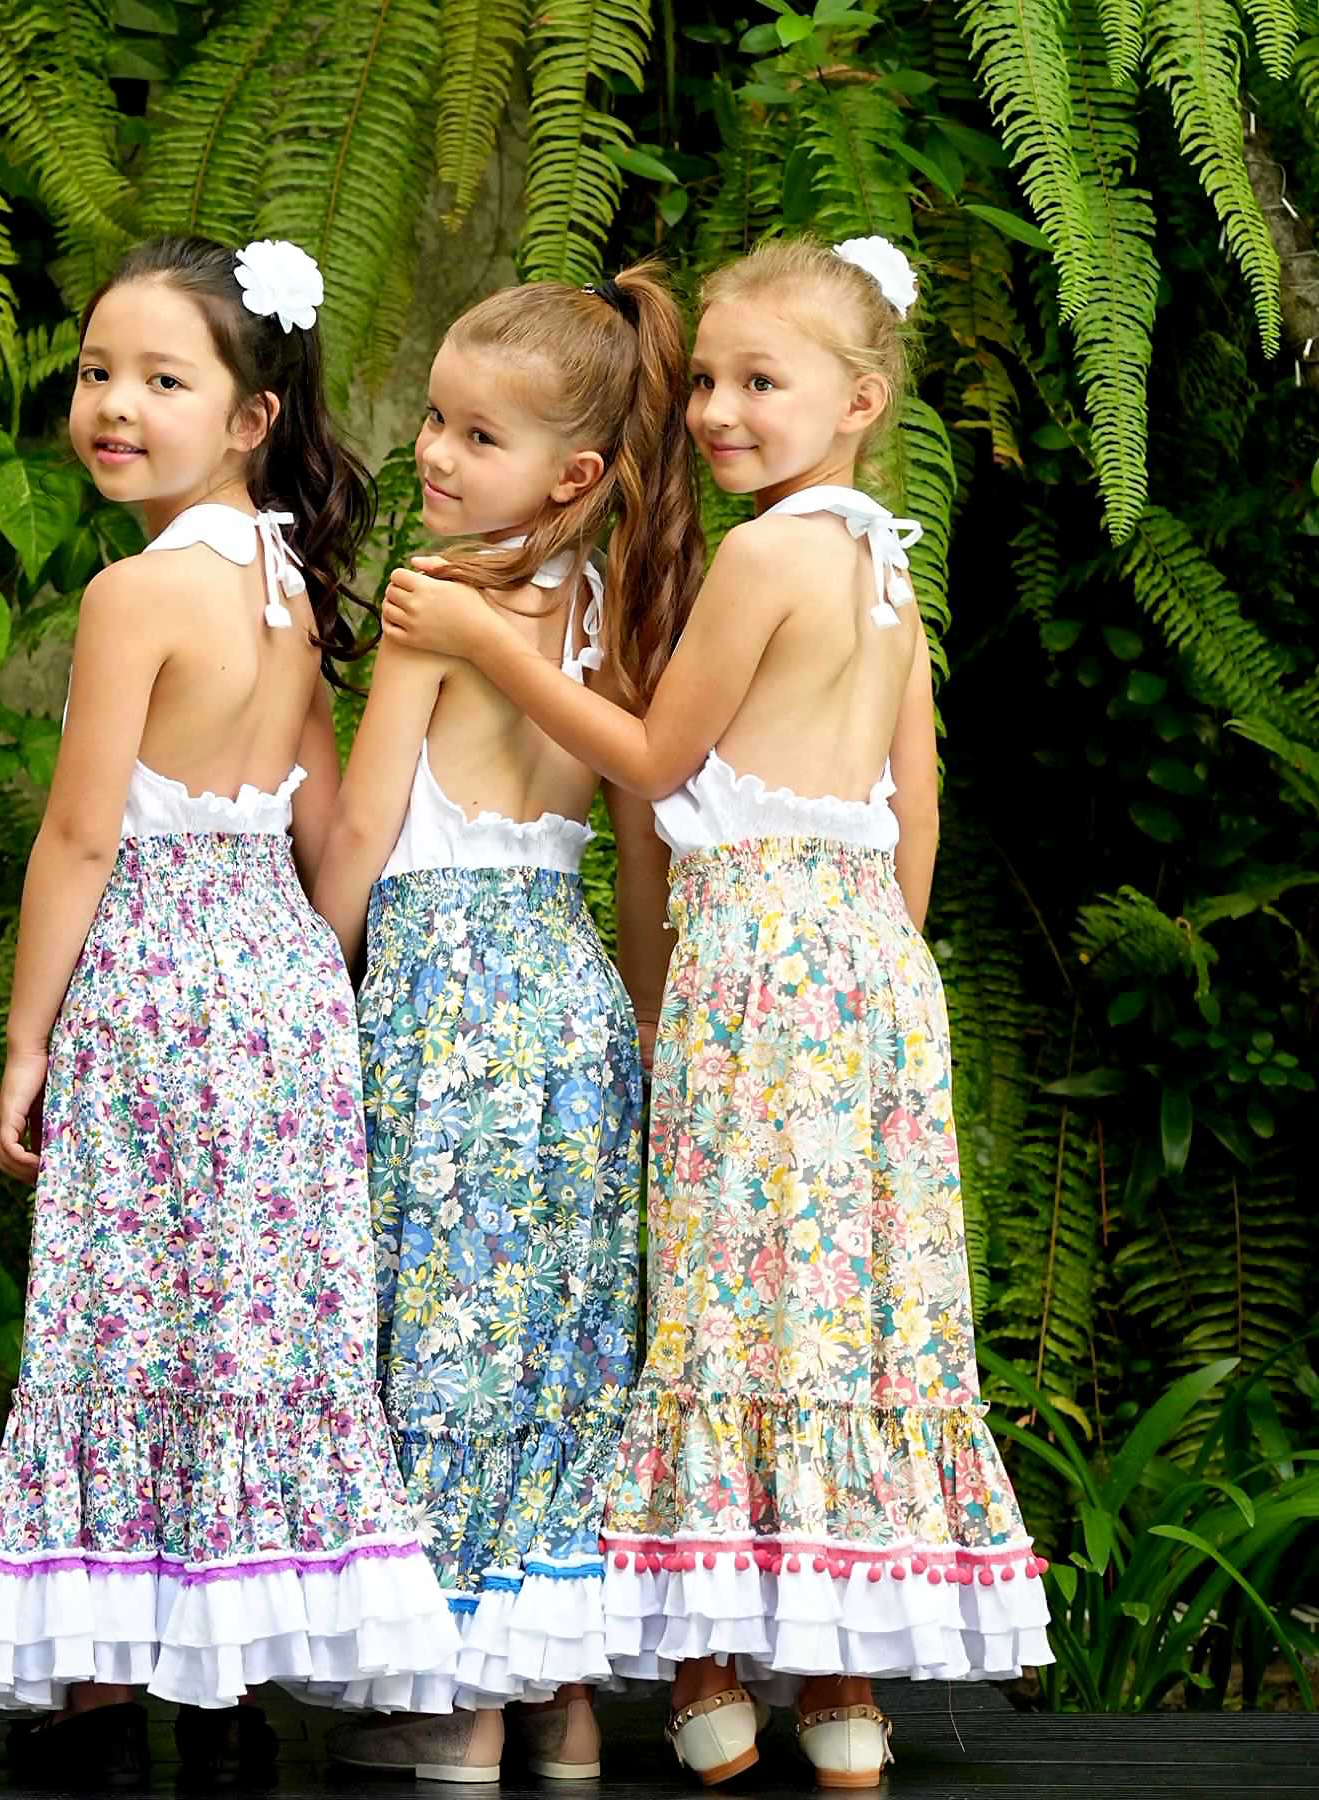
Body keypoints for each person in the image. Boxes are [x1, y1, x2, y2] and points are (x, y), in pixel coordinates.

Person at [381, 234, 1051, 1790]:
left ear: (860, 398)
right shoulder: (885, 557)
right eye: (712, 384)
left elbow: (652, 759)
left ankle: (705, 1662)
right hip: (872, 969)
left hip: (758, 966)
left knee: (718, 1287)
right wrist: (883, 969)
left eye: (764, 383)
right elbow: (919, 805)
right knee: (847, 1307)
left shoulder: (762, 560)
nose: (722, 413)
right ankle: (840, 1687)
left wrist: (480, 637)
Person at [0, 234, 454, 1790]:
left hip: (160, 986)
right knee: (247, 1322)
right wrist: (325, 981)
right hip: (280, 987)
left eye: (164, 380)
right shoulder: (291, 576)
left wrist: (29, 1038)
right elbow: (321, 816)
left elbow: (83, 835)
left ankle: (100, 1688)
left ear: (251, 415)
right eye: (98, 371)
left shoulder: (133, 594)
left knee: (123, 1311)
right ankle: (225, 1694)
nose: (114, 405)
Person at [314, 263, 701, 1784]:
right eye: (434, 419)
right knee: (558, 1338)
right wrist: (653, 1027)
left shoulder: (437, 604)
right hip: (571, 1006)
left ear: (574, 473)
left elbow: (357, 838)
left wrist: (308, 993)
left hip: (442, 1000)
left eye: (479, 436)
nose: (435, 452)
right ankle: (565, 1701)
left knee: (443, 1329)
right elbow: (648, 842)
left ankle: (458, 1703)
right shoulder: (618, 612)